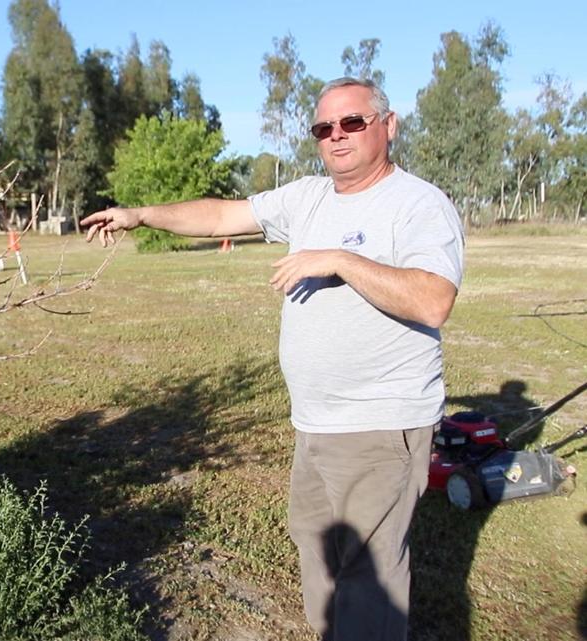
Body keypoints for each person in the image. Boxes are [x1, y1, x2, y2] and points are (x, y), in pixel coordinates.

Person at [80, 77, 464, 640]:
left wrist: (340, 259)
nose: (336, 136)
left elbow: (432, 300)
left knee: (368, 575)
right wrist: (139, 214)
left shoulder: (418, 204)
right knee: (315, 545)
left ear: (388, 125)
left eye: (352, 122)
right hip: (316, 422)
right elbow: (219, 217)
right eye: (323, 128)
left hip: (380, 422)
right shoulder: (308, 197)